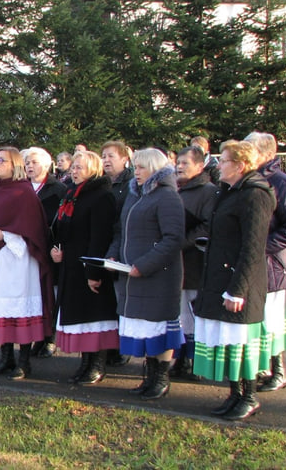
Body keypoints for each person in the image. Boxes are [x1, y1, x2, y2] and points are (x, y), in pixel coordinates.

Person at [194, 140, 276, 421]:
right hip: (221, 278)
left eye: (224, 160)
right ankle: (235, 393)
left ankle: (249, 396)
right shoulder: (229, 192)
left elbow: (253, 247)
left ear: (240, 166)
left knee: (241, 342)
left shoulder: (255, 195)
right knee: (228, 340)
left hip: (240, 283)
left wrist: (238, 290)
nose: (219, 165)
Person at [106, 148, 184, 400]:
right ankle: (148, 376)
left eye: (140, 167)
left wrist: (145, 264)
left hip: (157, 276)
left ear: (154, 169)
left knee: (158, 325)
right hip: (132, 274)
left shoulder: (167, 197)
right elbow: (121, 231)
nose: (135, 172)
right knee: (144, 327)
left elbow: (172, 239)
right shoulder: (134, 195)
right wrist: (113, 254)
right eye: (135, 167)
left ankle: (161, 377)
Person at [0, 147, 54, 380]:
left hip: (17, 262)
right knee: (0, 312)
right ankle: (5, 358)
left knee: (17, 310)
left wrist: (6, 236)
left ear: (14, 164)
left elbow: (34, 231)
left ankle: (24, 361)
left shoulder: (24, 193)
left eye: (2, 160)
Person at [50, 151, 119, 384]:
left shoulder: (101, 196)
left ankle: (97, 364)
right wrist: (56, 249)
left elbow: (99, 237)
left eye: (80, 167)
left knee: (93, 317)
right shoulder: (72, 193)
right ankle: (84, 363)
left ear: (93, 169)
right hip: (71, 265)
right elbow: (62, 228)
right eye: (73, 167)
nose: (74, 171)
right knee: (80, 318)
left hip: (89, 266)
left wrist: (94, 272)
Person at [246, 131, 286, 393]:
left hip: (274, 265)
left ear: (267, 153)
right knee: (256, 319)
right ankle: (262, 367)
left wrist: (260, 249)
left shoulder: (283, 183)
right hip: (254, 263)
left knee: (271, 320)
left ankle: (278, 370)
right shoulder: (248, 181)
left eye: (250, 148)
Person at [171, 145, 217, 381]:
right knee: (180, 314)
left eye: (185, 163)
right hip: (176, 263)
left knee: (194, 312)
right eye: (178, 163)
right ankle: (180, 359)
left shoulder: (208, 191)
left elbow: (208, 226)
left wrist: (180, 243)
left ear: (200, 166)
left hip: (195, 261)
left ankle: (197, 361)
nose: (179, 167)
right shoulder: (175, 190)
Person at [23, 146, 68, 358]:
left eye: (34, 162)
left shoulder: (58, 189)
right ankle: (36, 336)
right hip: (24, 249)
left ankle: (49, 338)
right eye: (27, 163)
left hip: (48, 247)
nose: (30, 166)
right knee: (33, 293)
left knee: (48, 293)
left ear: (47, 165)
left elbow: (61, 222)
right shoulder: (21, 187)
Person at [100, 140, 134, 368]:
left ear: (124, 159)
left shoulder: (130, 183)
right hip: (104, 245)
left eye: (111, 156)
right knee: (106, 300)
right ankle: (109, 345)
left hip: (122, 245)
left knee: (121, 299)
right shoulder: (102, 183)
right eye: (103, 156)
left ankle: (122, 347)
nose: (106, 160)